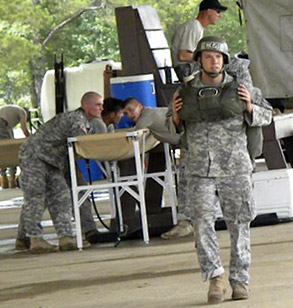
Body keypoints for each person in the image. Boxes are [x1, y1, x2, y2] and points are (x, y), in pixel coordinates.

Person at [167, 37, 272, 303]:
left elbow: (267, 114)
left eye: (217, 57)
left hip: (234, 166)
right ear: (199, 60)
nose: (213, 62)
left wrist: (249, 105)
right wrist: (176, 117)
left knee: (239, 224)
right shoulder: (185, 91)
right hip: (198, 168)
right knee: (201, 224)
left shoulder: (240, 87)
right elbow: (172, 127)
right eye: (207, 57)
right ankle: (214, 277)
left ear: (224, 61)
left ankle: (240, 281)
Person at [17, 92, 104, 253]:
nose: (102, 108)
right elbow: (82, 143)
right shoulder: (77, 119)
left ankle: (66, 237)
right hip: (34, 155)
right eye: (98, 104)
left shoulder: (84, 121)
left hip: (52, 160)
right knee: (35, 196)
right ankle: (35, 239)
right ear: (86, 105)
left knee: (61, 195)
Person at [117, 98, 180, 235]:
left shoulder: (146, 117)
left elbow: (134, 137)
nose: (129, 114)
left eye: (131, 110)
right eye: (126, 113)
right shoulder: (153, 112)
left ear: (140, 106)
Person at [171, 0, 227, 82]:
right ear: (208, 11)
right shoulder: (194, 26)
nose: (220, 16)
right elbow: (183, 56)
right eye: (218, 12)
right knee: (233, 66)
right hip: (186, 68)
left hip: (190, 67)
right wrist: (206, 58)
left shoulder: (198, 27)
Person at [0, 105, 30, 189]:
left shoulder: (13, 110)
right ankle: (11, 179)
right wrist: (31, 139)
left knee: (2, 151)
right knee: (10, 150)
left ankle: (4, 179)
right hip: (2, 123)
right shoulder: (22, 112)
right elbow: (24, 129)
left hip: (3, 123)